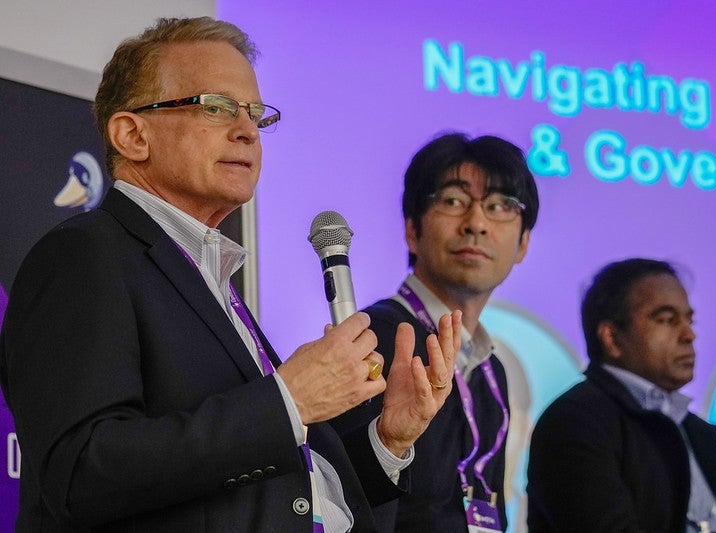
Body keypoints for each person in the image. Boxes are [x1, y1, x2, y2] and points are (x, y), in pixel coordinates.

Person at [0, 17, 461, 532]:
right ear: (133, 135)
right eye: (214, 107)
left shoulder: (208, 278)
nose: (246, 130)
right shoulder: (83, 256)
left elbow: (284, 492)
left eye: (255, 114)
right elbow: (81, 472)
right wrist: (289, 401)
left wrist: (388, 441)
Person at [332, 132, 539, 531]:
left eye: (499, 206)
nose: (476, 223)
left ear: (523, 243)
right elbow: (336, 491)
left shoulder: (491, 368)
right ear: (412, 229)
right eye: (453, 201)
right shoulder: (372, 339)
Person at [526, 258, 716, 532]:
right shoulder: (574, 422)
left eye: (689, 319)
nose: (689, 335)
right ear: (612, 338)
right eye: (666, 319)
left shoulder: (696, 431)